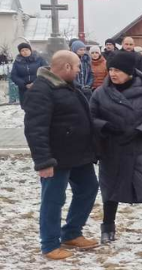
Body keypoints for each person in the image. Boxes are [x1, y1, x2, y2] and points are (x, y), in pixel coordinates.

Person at [24, 50, 100, 259]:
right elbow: (35, 129)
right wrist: (43, 162)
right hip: (55, 158)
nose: (78, 71)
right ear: (66, 67)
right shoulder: (41, 90)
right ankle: (50, 244)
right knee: (53, 199)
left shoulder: (67, 86)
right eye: (76, 67)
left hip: (78, 155)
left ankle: (72, 233)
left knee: (88, 188)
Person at [91, 50, 142, 247]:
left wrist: (141, 131)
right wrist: (105, 126)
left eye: (118, 70)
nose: (113, 74)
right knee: (110, 191)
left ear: (130, 72)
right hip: (112, 149)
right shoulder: (100, 93)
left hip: (140, 148)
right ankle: (107, 228)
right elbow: (90, 117)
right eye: (111, 69)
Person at [12, 42, 47, 109]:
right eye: (22, 50)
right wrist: (24, 84)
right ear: (20, 52)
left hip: (38, 88)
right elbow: (14, 76)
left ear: (30, 50)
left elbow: (45, 72)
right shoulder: (17, 62)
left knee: (40, 108)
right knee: (27, 109)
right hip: (24, 89)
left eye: (26, 50)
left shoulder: (39, 59)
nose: (25, 52)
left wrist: (35, 83)